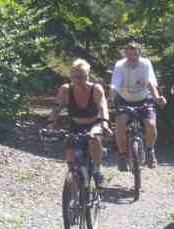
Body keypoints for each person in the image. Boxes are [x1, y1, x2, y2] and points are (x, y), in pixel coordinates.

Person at [47, 59, 110, 187]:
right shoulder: (65, 89)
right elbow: (57, 107)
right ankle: (73, 186)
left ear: (88, 75)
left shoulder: (96, 88)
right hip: (75, 125)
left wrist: (105, 123)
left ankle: (98, 171)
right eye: (75, 76)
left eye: (82, 76)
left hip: (94, 123)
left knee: (94, 138)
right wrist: (51, 123)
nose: (79, 79)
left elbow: (103, 107)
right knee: (70, 155)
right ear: (71, 76)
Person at [110, 41, 166, 171]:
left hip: (144, 98)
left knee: (151, 124)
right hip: (124, 99)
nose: (131, 58)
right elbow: (115, 85)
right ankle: (122, 155)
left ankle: (150, 151)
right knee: (120, 123)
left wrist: (157, 98)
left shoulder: (145, 64)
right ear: (125, 54)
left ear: (139, 54)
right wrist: (111, 97)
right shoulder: (120, 65)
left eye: (134, 55)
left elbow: (150, 83)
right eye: (129, 55)